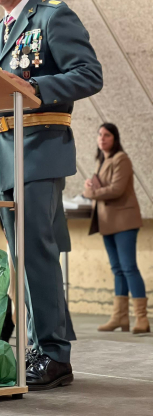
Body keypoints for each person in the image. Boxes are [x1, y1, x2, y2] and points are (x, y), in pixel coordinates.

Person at [0, 0, 103, 390]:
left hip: (39, 151)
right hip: (4, 160)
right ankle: (41, 349)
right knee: (23, 261)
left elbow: (89, 73)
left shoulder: (53, 16)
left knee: (38, 258)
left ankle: (53, 355)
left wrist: (33, 83)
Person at [83, 123, 149, 334]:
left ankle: (141, 318)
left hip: (124, 222)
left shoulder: (122, 159)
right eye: (100, 134)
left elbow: (116, 189)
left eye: (107, 135)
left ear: (115, 138)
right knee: (117, 270)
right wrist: (90, 189)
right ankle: (120, 318)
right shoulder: (102, 161)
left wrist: (91, 192)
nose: (102, 138)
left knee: (129, 268)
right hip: (107, 222)